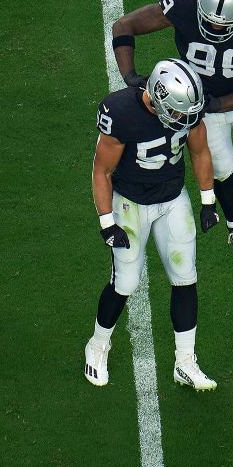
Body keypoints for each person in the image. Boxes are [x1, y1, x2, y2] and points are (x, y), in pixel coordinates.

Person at [110, 0, 233, 273]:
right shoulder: (184, 3)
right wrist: (130, 76)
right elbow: (124, 26)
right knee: (221, 170)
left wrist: (222, 103)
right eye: (209, 18)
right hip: (202, 107)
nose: (215, 27)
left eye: (223, 23)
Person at [84, 58, 222, 391]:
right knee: (126, 282)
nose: (184, 120)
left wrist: (208, 200)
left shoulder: (186, 109)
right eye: (178, 113)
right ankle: (98, 344)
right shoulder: (121, 112)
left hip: (172, 199)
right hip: (130, 203)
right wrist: (106, 223)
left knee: (186, 277)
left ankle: (185, 362)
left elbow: (200, 152)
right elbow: (101, 171)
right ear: (158, 97)